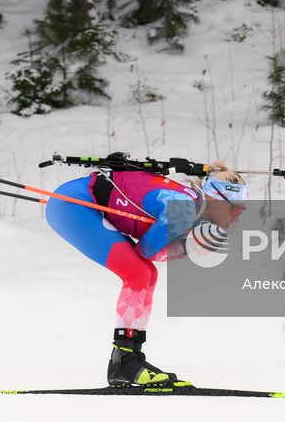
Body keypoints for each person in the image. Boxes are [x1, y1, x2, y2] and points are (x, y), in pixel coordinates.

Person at [44, 161, 247, 387]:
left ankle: (129, 359)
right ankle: (124, 362)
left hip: (81, 204)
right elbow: (147, 251)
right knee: (138, 273)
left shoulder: (191, 205)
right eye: (235, 209)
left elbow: (149, 253)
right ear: (216, 201)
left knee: (146, 274)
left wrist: (188, 245)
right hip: (73, 206)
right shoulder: (184, 207)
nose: (236, 217)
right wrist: (187, 247)